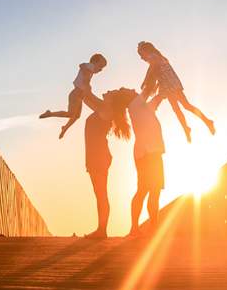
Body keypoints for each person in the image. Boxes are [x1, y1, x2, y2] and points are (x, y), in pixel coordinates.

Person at [97, 87, 165, 236]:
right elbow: (149, 86)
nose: (131, 88)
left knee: (146, 191)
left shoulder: (140, 107)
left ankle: (138, 228)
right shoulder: (136, 104)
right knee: (151, 191)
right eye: (125, 89)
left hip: (147, 153)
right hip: (149, 153)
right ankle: (148, 229)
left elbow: (156, 98)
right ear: (126, 97)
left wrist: (163, 91)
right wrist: (156, 65)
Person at [138, 41, 215, 143]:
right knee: (180, 108)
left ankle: (202, 123)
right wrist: (156, 85)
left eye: (141, 54)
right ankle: (191, 126)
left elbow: (152, 69)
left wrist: (145, 81)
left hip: (170, 85)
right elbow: (158, 72)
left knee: (183, 107)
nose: (141, 57)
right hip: (169, 85)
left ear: (146, 51)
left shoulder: (153, 57)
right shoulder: (157, 57)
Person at [80, 89, 129, 238]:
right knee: (99, 193)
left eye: (110, 92)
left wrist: (88, 72)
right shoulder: (103, 108)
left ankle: (102, 230)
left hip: (98, 156)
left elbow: (86, 96)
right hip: (95, 156)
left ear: (112, 100)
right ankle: (101, 229)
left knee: (101, 194)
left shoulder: (105, 109)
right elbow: (85, 97)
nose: (107, 91)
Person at [40, 53, 108, 139]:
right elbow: (82, 66)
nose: (100, 70)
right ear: (95, 62)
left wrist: (87, 82)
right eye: (100, 66)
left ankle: (64, 128)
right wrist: (86, 79)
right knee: (70, 114)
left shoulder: (90, 70)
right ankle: (50, 114)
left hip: (79, 96)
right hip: (76, 94)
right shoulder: (90, 66)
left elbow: (83, 69)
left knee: (76, 116)